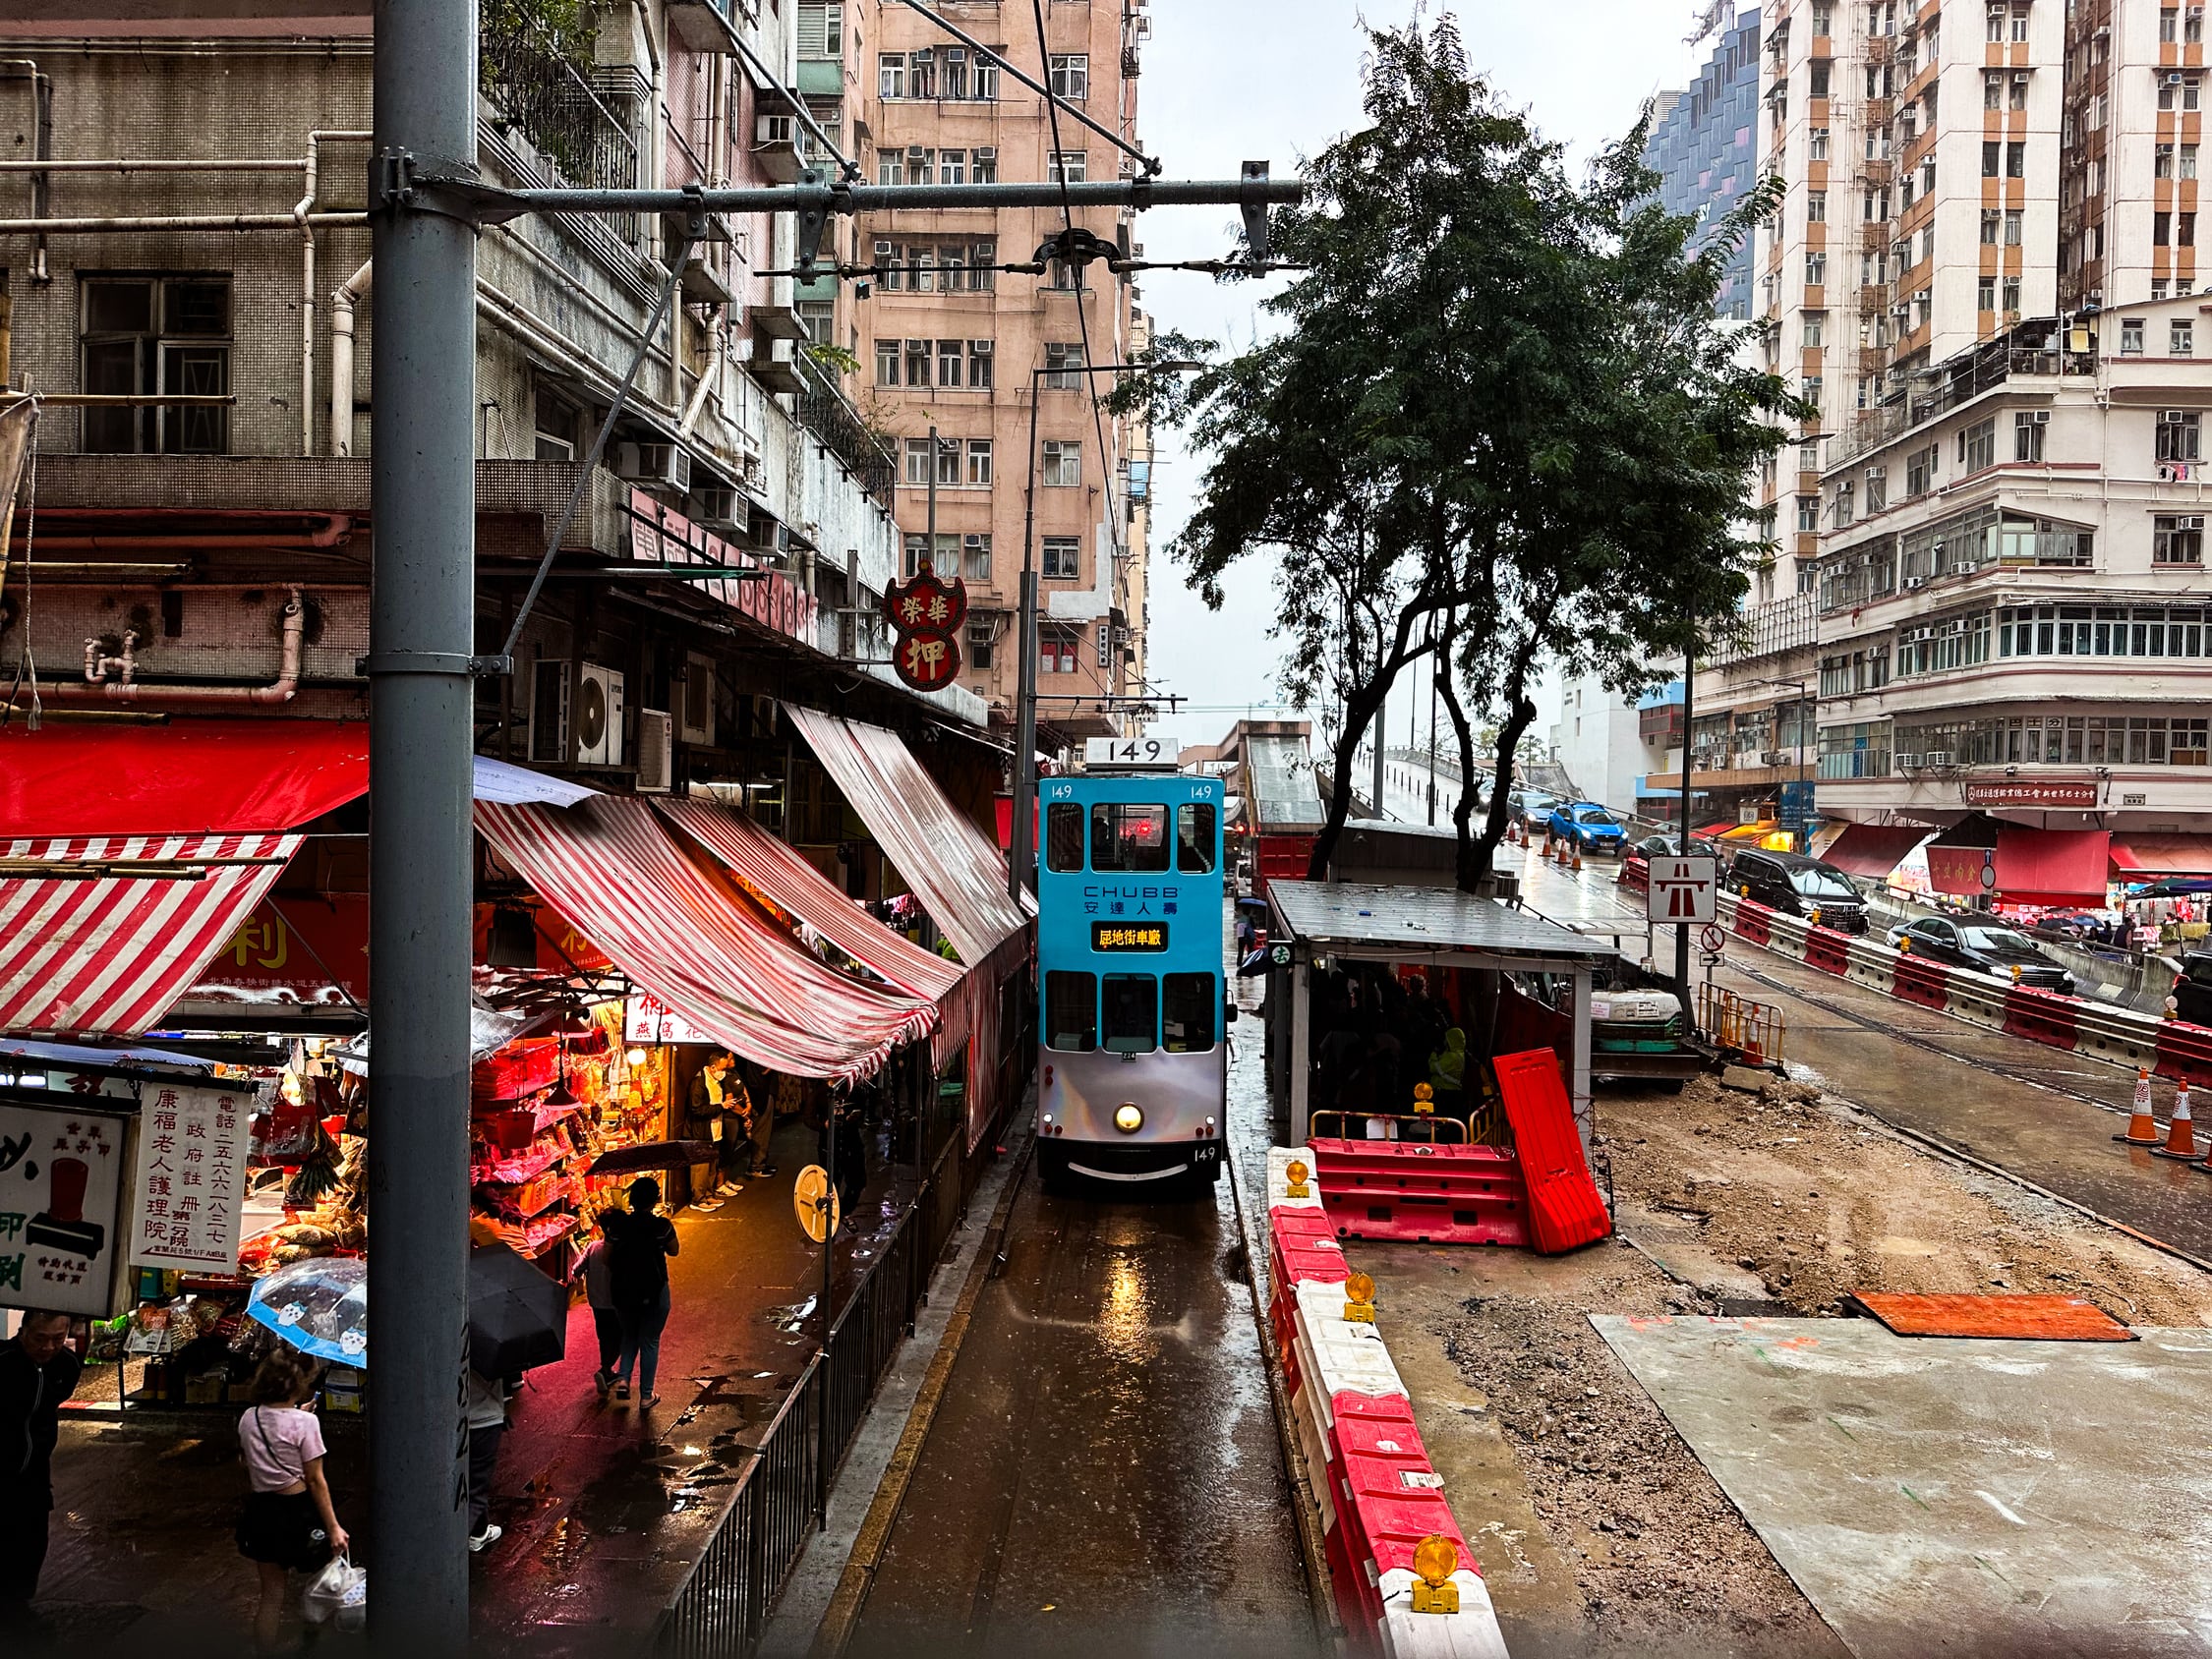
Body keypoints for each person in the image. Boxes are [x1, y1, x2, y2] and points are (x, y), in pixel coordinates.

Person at [235, 1347, 348, 1651]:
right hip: (300, 1515)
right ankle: (312, 1645)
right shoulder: (306, 1424)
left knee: (271, 1594)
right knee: (325, 1585)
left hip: (261, 1513)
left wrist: (295, 1415)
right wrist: (334, 1527)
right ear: (298, 1385)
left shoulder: (249, 1418)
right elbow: (315, 1480)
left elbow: (247, 1460)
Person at [0, 1310, 83, 1629]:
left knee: (31, 1541)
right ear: (23, 1332)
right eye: (40, 1338)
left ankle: (18, 1606)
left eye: (57, 1339)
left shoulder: (67, 1366)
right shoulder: (3, 1361)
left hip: (35, 1471)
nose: (49, 1347)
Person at [603, 1178, 678, 1408]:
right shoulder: (662, 1226)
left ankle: (624, 1378)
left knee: (629, 1334)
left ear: (631, 1198)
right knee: (649, 1341)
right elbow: (675, 1250)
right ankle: (646, 1395)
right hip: (654, 1290)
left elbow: (606, 1258)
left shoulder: (617, 1226)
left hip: (623, 1290)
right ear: (655, 1199)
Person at [464, 1368, 508, 1553]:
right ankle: (448, 1549)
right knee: (477, 1489)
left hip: (450, 1417)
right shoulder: (491, 1345)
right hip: (484, 1417)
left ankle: (479, 1531)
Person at [684, 1052, 736, 1204]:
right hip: (701, 1132)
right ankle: (698, 1200)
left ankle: (708, 1195)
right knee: (700, 1168)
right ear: (713, 1067)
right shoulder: (699, 1082)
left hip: (715, 1131)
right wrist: (721, 1106)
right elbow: (696, 1109)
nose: (724, 1072)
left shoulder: (716, 1081)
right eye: (723, 1068)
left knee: (711, 1167)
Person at [578, 1233, 623, 1400]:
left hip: (597, 1302)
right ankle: (605, 1370)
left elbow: (577, 1268)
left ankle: (607, 1370)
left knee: (605, 1337)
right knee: (620, 1337)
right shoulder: (619, 1249)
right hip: (615, 1302)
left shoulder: (593, 1247)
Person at [730, 1067, 776, 1180]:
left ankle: (760, 1163)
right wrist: (773, 1064)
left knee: (764, 1131)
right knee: (761, 1130)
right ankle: (756, 1166)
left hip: (763, 1095)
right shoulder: (754, 1060)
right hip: (761, 1097)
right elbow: (761, 1072)